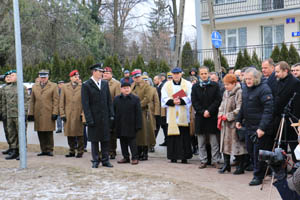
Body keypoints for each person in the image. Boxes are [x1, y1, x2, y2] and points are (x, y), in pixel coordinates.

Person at [236, 67, 273, 186]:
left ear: (256, 78)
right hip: (249, 126)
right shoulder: (246, 89)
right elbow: (244, 105)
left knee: (258, 153)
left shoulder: (264, 88)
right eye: (246, 79)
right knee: (251, 150)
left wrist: (262, 128)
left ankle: (258, 176)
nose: (247, 81)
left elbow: (268, 110)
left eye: (250, 79)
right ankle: (265, 170)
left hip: (259, 127)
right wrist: (239, 119)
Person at [81, 63, 114, 168]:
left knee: (105, 139)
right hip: (94, 117)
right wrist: (89, 119)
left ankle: (105, 160)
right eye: (100, 71)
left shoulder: (104, 84)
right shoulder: (86, 85)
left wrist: (111, 114)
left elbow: (109, 100)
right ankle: (95, 160)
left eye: (102, 72)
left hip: (104, 117)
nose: (102, 73)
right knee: (94, 140)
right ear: (94, 72)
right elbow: (85, 104)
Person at [191, 66, 222, 169]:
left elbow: (217, 100)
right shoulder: (195, 87)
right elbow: (194, 101)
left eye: (205, 73)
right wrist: (202, 111)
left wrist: (209, 110)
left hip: (212, 116)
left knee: (214, 141)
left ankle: (215, 160)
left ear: (208, 74)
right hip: (200, 116)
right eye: (202, 74)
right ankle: (203, 160)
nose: (204, 75)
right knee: (201, 141)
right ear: (199, 75)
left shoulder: (215, 86)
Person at [161, 67, 193, 163]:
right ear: (172, 74)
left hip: (183, 113)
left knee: (184, 136)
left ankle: (184, 157)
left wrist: (182, 101)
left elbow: (190, 96)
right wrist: (172, 101)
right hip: (172, 113)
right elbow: (163, 98)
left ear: (181, 74)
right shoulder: (166, 85)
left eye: (178, 73)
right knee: (172, 136)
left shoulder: (187, 84)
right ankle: (173, 156)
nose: (176, 75)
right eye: (174, 74)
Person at [218, 74, 247, 174]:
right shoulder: (226, 92)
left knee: (237, 146)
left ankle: (240, 166)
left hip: (234, 123)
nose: (225, 87)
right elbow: (221, 105)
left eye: (227, 84)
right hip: (225, 124)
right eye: (225, 84)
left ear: (234, 83)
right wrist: (221, 114)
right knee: (225, 145)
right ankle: (226, 165)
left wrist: (229, 115)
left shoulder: (239, 92)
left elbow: (240, 108)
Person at [273, 61, 300, 163]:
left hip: (291, 119)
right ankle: (281, 168)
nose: (276, 74)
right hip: (279, 118)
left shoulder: (295, 82)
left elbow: (297, 104)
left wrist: (295, 121)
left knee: (293, 145)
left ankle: (296, 169)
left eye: (278, 72)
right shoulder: (278, 81)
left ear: (285, 71)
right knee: (280, 145)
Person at [28, 70, 59, 157]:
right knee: (40, 132)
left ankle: (49, 150)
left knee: (48, 132)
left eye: (44, 77)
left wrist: (55, 112)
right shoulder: (34, 86)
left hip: (49, 112)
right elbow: (32, 101)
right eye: (41, 77)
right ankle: (43, 150)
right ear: (39, 77)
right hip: (38, 113)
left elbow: (56, 100)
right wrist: (31, 113)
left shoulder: (53, 86)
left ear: (48, 77)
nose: (43, 79)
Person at [2, 70, 29, 160]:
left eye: (13, 75)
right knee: (12, 133)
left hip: (19, 115)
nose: (11, 77)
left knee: (21, 133)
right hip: (10, 115)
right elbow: (4, 102)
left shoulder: (22, 87)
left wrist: (24, 113)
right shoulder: (6, 88)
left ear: (18, 77)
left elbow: (26, 101)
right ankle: (14, 150)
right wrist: (4, 114)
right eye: (10, 75)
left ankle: (22, 152)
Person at [114, 82, 142, 165]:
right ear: (121, 89)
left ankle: (135, 157)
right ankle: (125, 157)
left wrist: (138, 125)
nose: (126, 89)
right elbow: (114, 111)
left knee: (132, 142)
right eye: (124, 88)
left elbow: (138, 113)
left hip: (131, 124)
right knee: (123, 142)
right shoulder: (116, 99)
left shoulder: (135, 99)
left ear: (130, 89)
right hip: (120, 124)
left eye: (128, 88)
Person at [59, 70, 85, 158]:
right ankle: (72, 150)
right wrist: (62, 114)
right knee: (69, 133)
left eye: (78, 76)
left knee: (80, 133)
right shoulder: (65, 87)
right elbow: (61, 101)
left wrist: (83, 114)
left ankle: (80, 151)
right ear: (71, 78)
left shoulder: (83, 87)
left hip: (79, 113)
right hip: (68, 113)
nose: (77, 78)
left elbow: (85, 102)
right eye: (75, 77)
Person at [131, 69, 152, 161]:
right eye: (135, 77)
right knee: (136, 133)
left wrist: (137, 106)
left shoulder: (146, 85)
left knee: (143, 133)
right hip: (133, 112)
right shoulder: (132, 86)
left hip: (143, 111)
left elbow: (147, 98)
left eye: (138, 76)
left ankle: (144, 152)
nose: (137, 78)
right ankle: (138, 152)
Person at [103, 66, 121, 159]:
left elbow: (117, 99)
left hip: (111, 112)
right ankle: (103, 150)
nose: (105, 75)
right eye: (104, 73)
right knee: (103, 132)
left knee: (112, 133)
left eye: (107, 73)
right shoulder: (100, 82)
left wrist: (115, 113)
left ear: (111, 74)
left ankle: (112, 151)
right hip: (102, 112)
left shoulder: (116, 84)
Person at [143, 75, 159, 152]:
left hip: (151, 112)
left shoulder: (153, 89)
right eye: (143, 80)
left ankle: (151, 145)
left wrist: (156, 113)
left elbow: (156, 101)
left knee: (152, 129)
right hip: (141, 111)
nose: (145, 82)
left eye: (146, 80)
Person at [154, 74, 168, 146]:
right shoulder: (158, 86)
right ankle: (166, 140)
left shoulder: (162, 86)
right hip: (160, 109)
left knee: (160, 126)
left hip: (161, 109)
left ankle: (153, 143)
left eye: (155, 80)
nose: (154, 81)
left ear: (159, 80)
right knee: (163, 126)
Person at [0, 71, 12, 155]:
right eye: (6, 77)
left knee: (13, 132)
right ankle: (10, 147)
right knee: (7, 131)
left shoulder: (17, 87)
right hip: (4, 113)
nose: (7, 79)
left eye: (9, 77)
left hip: (12, 113)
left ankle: (15, 148)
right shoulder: (3, 88)